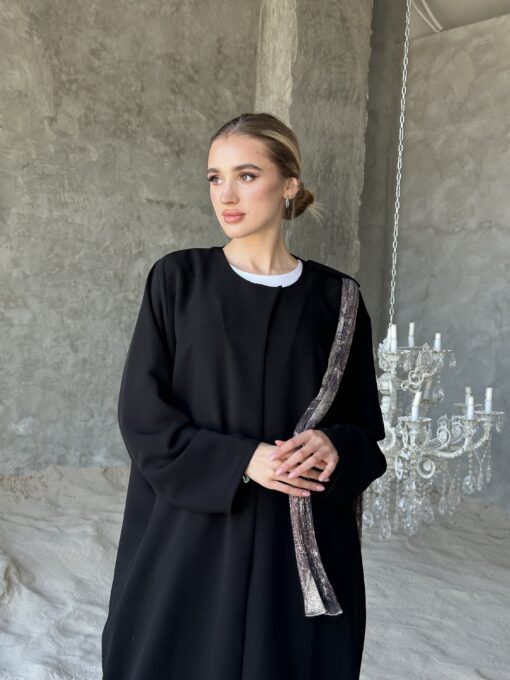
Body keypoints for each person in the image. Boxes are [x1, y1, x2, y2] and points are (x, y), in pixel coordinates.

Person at [101, 112, 387, 679]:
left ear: (289, 185)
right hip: (192, 535)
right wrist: (242, 460)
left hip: (295, 545)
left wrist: (334, 445)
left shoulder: (339, 298)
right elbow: (143, 417)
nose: (226, 195)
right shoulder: (178, 280)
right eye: (215, 178)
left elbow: (364, 431)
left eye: (247, 176)